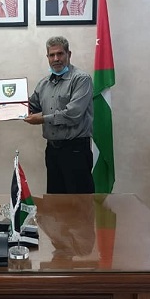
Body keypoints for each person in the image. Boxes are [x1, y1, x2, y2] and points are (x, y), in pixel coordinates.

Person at [24, 36, 95, 194]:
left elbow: (73, 114)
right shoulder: (44, 83)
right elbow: (30, 106)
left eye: (60, 54)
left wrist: (42, 119)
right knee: (55, 200)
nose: (56, 59)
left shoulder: (81, 79)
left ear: (69, 54)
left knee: (79, 201)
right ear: (47, 57)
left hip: (76, 151)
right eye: (52, 55)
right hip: (52, 151)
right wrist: (1, 99)